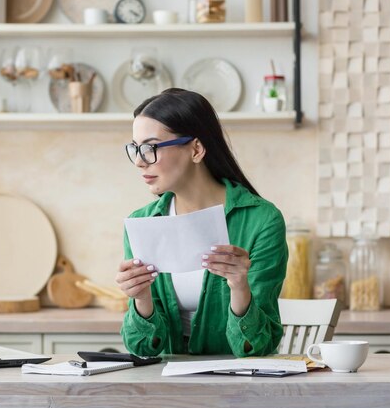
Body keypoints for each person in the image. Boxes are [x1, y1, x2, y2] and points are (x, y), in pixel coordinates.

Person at [116, 88, 288, 357]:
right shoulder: (142, 222)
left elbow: (258, 346)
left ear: (196, 149)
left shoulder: (262, 221)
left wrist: (239, 287)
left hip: (238, 386)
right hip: (164, 386)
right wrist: (141, 299)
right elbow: (142, 349)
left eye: (150, 148)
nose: (139, 161)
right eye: (135, 149)